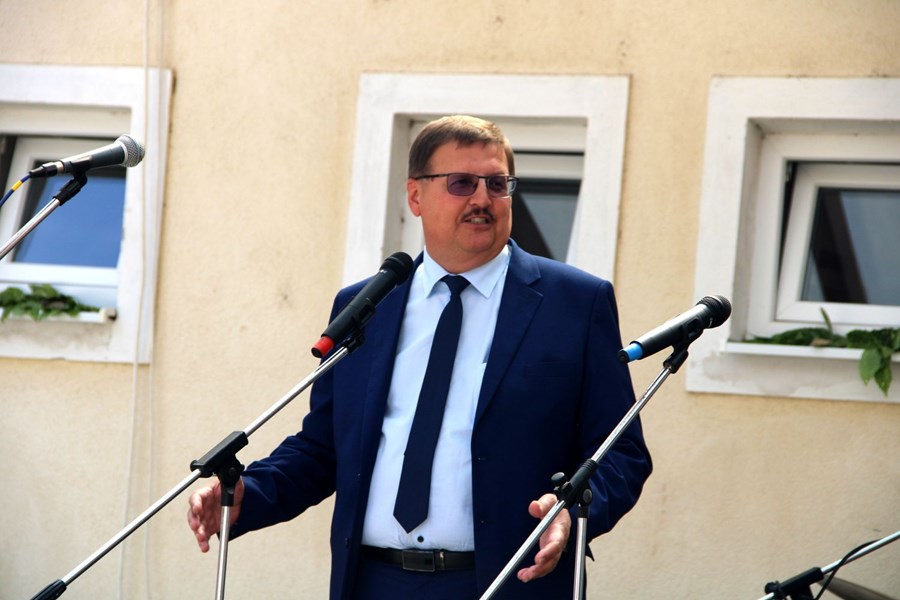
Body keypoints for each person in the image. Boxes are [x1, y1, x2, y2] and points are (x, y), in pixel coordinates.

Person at [188, 115, 652, 599]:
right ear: (415, 196)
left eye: (497, 184)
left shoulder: (574, 304)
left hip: (507, 581)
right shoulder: (366, 306)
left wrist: (573, 515)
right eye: (461, 183)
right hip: (374, 581)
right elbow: (323, 449)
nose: (482, 198)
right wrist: (248, 494)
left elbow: (621, 451)